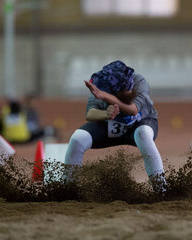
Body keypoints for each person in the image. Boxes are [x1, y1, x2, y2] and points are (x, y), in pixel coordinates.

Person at [65, 60, 166, 192]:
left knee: (143, 134)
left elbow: (133, 109)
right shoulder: (100, 85)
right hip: (108, 126)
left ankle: (161, 189)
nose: (129, 91)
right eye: (125, 90)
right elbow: (89, 113)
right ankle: (68, 190)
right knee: (77, 139)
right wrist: (105, 113)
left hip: (140, 124)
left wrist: (106, 97)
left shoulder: (139, 81)